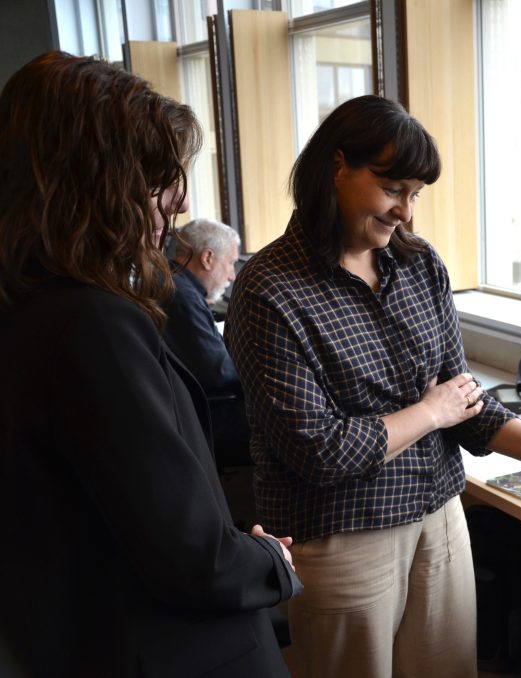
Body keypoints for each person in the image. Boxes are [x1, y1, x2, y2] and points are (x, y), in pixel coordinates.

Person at [225, 94, 521, 678]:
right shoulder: (269, 289)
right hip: (343, 536)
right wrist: (430, 413)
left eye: (416, 195)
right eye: (393, 190)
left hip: (438, 516)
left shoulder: (418, 265)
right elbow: (319, 451)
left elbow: (468, 404)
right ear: (337, 167)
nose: (405, 213)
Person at [0, 51, 301, 677]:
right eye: (158, 179)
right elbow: (193, 560)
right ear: (95, 179)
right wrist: (269, 559)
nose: (173, 206)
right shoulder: (92, 323)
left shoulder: (28, 304)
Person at [162, 218, 250, 469]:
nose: (233, 275)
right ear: (208, 258)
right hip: (207, 420)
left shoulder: (174, 284)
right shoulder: (181, 296)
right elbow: (218, 372)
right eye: (231, 263)